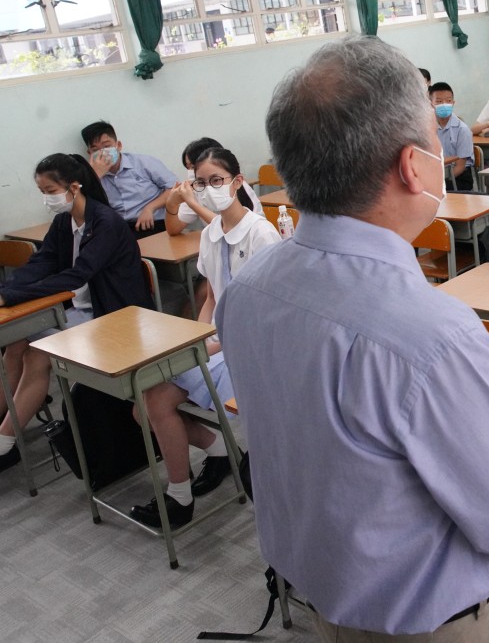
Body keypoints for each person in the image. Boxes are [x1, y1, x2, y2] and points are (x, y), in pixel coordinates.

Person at [217, 36, 489, 641]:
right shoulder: (431, 336)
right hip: (442, 621)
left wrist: (471, 391)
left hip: (327, 604)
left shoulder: (248, 289)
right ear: (414, 165)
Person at [128, 147, 280, 529]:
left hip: (254, 350)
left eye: (217, 181)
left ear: (237, 182)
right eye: (200, 183)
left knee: (155, 400)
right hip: (218, 342)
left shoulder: (262, 234)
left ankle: (180, 499)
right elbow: (211, 296)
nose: (208, 188)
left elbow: (268, 316)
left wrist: (214, 345)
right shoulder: (212, 233)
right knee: (143, 405)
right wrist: (196, 341)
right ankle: (222, 454)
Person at [0, 153, 151, 473]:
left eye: (50, 190)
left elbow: (76, 276)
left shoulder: (105, 223)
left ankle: (5, 443)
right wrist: (5, 293)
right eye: (42, 191)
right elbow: (42, 263)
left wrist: (12, 295)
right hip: (80, 313)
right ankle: (3, 420)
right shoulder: (64, 222)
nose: (47, 199)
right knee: (15, 345)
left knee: (37, 355)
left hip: (114, 316)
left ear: (74, 186)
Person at [81, 121, 177, 239]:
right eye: (95, 150)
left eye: (106, 146)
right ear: (89, 153)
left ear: (118, 145)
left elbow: (175, 188)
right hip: (119, 230)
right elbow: (82, 206)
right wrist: (96, 176)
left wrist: (150, 208)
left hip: (156, 224)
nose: (102, 153)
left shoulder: (144, 163)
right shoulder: (88, 177)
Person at [165, 137, 264, 235]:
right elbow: (173, 229)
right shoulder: (197, 188)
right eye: (188, 167)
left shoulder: (232, 185)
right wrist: (171, 204)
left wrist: (192, 203)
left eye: (193, 166)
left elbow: (232, 229)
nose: (190, 172)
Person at [429, 82, 474, 192]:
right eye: (439, 102)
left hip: (459, 176)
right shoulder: (427, 128)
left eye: (448, 101)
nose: (444, 104)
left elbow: (460, 166)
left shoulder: (462, 129)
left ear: (453, 103)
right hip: (437, 174)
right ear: (430, 104)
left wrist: (439, 181)